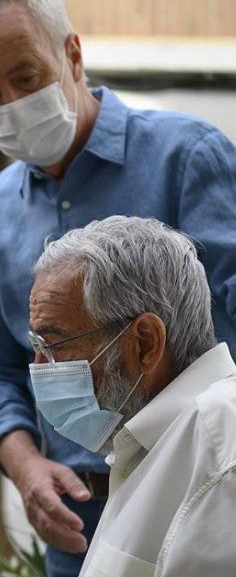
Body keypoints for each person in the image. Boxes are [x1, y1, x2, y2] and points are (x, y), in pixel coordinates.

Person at [0, 0, 236, 575]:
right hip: (75, 521)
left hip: (202, 493)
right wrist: (26, 467)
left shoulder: (188, 158)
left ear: (72, 53)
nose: (10, 102)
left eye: (25, 77)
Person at [28, 215, 236, 576]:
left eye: (54, 344)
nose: (40, 366)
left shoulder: (219, 449)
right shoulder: (148, 442)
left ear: (145, 343)